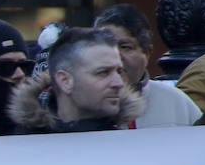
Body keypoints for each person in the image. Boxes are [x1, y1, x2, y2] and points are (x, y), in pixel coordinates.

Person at [8, 26, 144, 133]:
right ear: (65, 81)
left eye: (119, 72)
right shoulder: (20, 148)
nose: (118, 83)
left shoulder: (130, 145)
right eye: (103, 73)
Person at [93, 3, 201, 127]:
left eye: (125, 47)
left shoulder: (176, 103)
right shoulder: (81, 103)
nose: (115, 57)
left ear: (147, 53)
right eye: (107, 45)